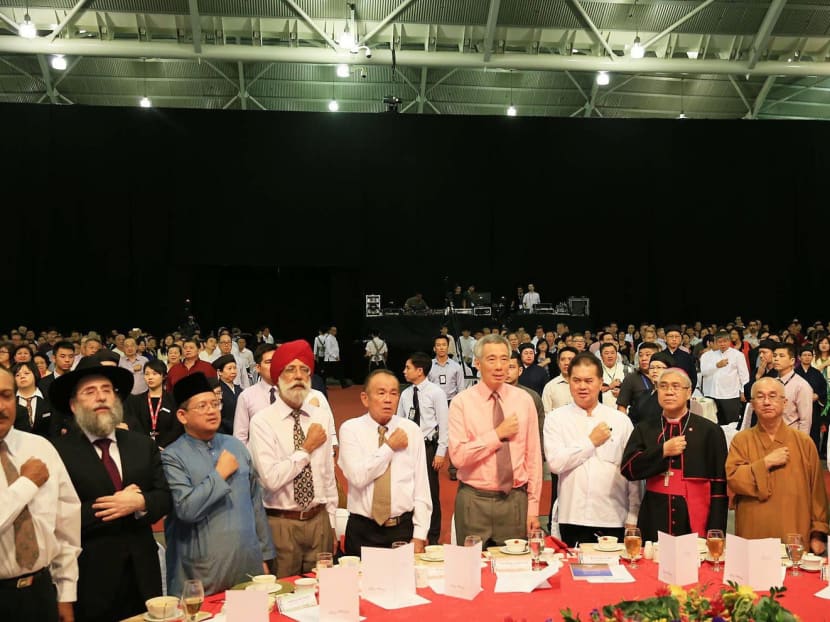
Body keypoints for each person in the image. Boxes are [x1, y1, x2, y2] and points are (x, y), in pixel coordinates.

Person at [50, 361, 171, 622]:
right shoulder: (57, 452)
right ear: (73, 405)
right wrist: (113, 506)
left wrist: (140, 502)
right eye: (90, 391)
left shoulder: (140, 445)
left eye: (107, 389)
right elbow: (55, 517)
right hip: (90, 579)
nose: (101, 396)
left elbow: (164, 496)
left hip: (143, 576)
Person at [162, 373, 275, 596]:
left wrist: (264, 555)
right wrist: (219, 475)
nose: (212, 410)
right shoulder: (172, 456)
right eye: (202, 406)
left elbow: (256, 504)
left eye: (215, 403)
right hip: (201, 572)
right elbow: (186, 509)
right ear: (182, 416)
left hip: (247, 564)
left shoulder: (235, 446)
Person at [248, 340, 338, 578]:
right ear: (277, 376)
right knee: (285, 595)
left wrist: (332, 521)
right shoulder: (262, 421)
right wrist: (306, 449)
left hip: (319, 521)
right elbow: (270, 478)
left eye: (304, 369)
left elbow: (328, 474)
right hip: (281, 523)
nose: (298, 375)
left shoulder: (321, 416)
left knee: (323, 591)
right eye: (290, 369)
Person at [0, 366, 81, 622]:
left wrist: (66, 593)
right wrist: (26, 484)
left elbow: (65, 524)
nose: (0, 405)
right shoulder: (32, 473)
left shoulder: (40, 447)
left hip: (41, 591)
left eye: (5, 395)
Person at [448, 334, 543, 546]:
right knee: (471, 573)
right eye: (492, 359)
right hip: (473, 500)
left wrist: (533, 508)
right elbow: (458, 457)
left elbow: (533, 458)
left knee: (515, 572)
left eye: (504, 359)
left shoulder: (524, 400)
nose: (499, 366)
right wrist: (497, 435)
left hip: (515, 500)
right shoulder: (461, 403)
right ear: (477, 363)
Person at [544, 352, 641, 546]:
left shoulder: (620, 420)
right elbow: (556, 464)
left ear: (600, 382)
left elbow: (632, 473)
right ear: (569, 381)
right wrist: (591, 442)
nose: (582, 386)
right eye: (576, 380)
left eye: (589, 380)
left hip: (613, 515)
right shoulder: (556, 418)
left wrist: (633, 514)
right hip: (572, 515)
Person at [621, 368, 728, 542]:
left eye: (676, 386)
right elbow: (628, 469)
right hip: (654, 513)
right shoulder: (645, 428)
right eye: (663, 386)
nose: (669, 391)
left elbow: (719, 486)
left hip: (694, 513)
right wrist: (661, 451)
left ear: (688, 393)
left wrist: (716, 529)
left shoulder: (710, 430)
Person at [726, 377, 828, 554]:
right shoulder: (741, 440)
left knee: (794, 576)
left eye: (773, 396)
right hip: (754, 527)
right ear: (752, 403)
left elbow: (817, 491)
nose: (767, 402)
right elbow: (733, 479)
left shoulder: (804, 442)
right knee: (752, 577)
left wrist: (818, 532)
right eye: (760, 397)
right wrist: (764, 463)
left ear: (784, 402)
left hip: (794, 527)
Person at [339, 369, 432, 554]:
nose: (388, 399)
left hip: (402, 528)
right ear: (365, 398)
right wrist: (389, 447)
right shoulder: (351, 429)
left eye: (393, 393)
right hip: (362, 529)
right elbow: (357, 477)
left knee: (404, 583)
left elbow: (421, 487)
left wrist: (420, 534)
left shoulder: (411, 430)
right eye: (381, 393)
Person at [396, 352, 447, 545]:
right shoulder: (406, 393)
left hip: (428, 447)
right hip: (408, 448)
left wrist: (441, 452)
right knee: (408, 489)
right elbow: (399, 420)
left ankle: (433, 537)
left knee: (430, 492)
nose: (404, 371)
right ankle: (411, 531)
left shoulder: (436, 393)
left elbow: (444, 424)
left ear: (420, 370)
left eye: (408, 367)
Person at [123, 360, 182, 448]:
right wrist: (148, 445)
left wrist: (163, 445)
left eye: (154, 374)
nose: (150, 377)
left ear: (164, 376)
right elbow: (134, 426)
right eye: (147, 374)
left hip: (169, 448)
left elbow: (177, 427)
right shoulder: (135, 401)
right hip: (143, 447)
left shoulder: (174, 400)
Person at [699, 330, 750, 424]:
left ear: (729, 341)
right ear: (715, 342)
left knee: (731, 423)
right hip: (711, 394)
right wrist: (716, 366)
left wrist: (743, 391)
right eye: (720, 342)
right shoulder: (707, 356)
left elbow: (744, 375)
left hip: (730, 394)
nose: (722, 344)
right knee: (713, 423)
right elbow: (704, 372)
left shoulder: (738, 355)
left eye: (725, 341)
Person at [541, 346, 577, 412]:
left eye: (570, 359)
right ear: (558, 363)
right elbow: (546, 414)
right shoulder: (550, 387)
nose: (566, 363)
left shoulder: (585, 385)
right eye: (562, 359)